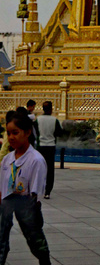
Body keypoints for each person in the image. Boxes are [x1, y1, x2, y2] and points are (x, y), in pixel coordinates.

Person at [1, 110, 50, 265]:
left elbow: (36, 192)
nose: (11, 137)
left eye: (15, 133)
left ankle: (44, 261)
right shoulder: (7, 159)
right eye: (8, 133)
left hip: (27, 204)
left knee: (35, 240)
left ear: (27, 132)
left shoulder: (36, 160)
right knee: (1, 237)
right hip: (6, 203)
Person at [32, 104, 57, 201]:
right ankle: (48, 191)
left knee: (39, 168)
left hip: (40, 146)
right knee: (50, 169)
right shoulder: (54, 120)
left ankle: (37, 189)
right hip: (50, 146)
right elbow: (58, 132)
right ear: (51, 109)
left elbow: (35, 132)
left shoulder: (38, 120)